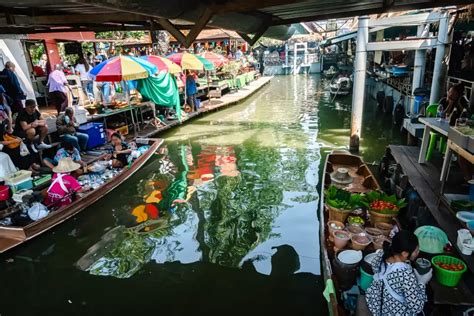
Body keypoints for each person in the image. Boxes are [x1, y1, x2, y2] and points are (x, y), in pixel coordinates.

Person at [364, 230, 431, 316]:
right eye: (416, 250)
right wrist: (422, 283)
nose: (418, 252)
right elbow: (416, 307)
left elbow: (374, 267)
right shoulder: (406, 275)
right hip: (393, 312)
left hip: (378, 304)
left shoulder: (382, 254)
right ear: (404, 253)